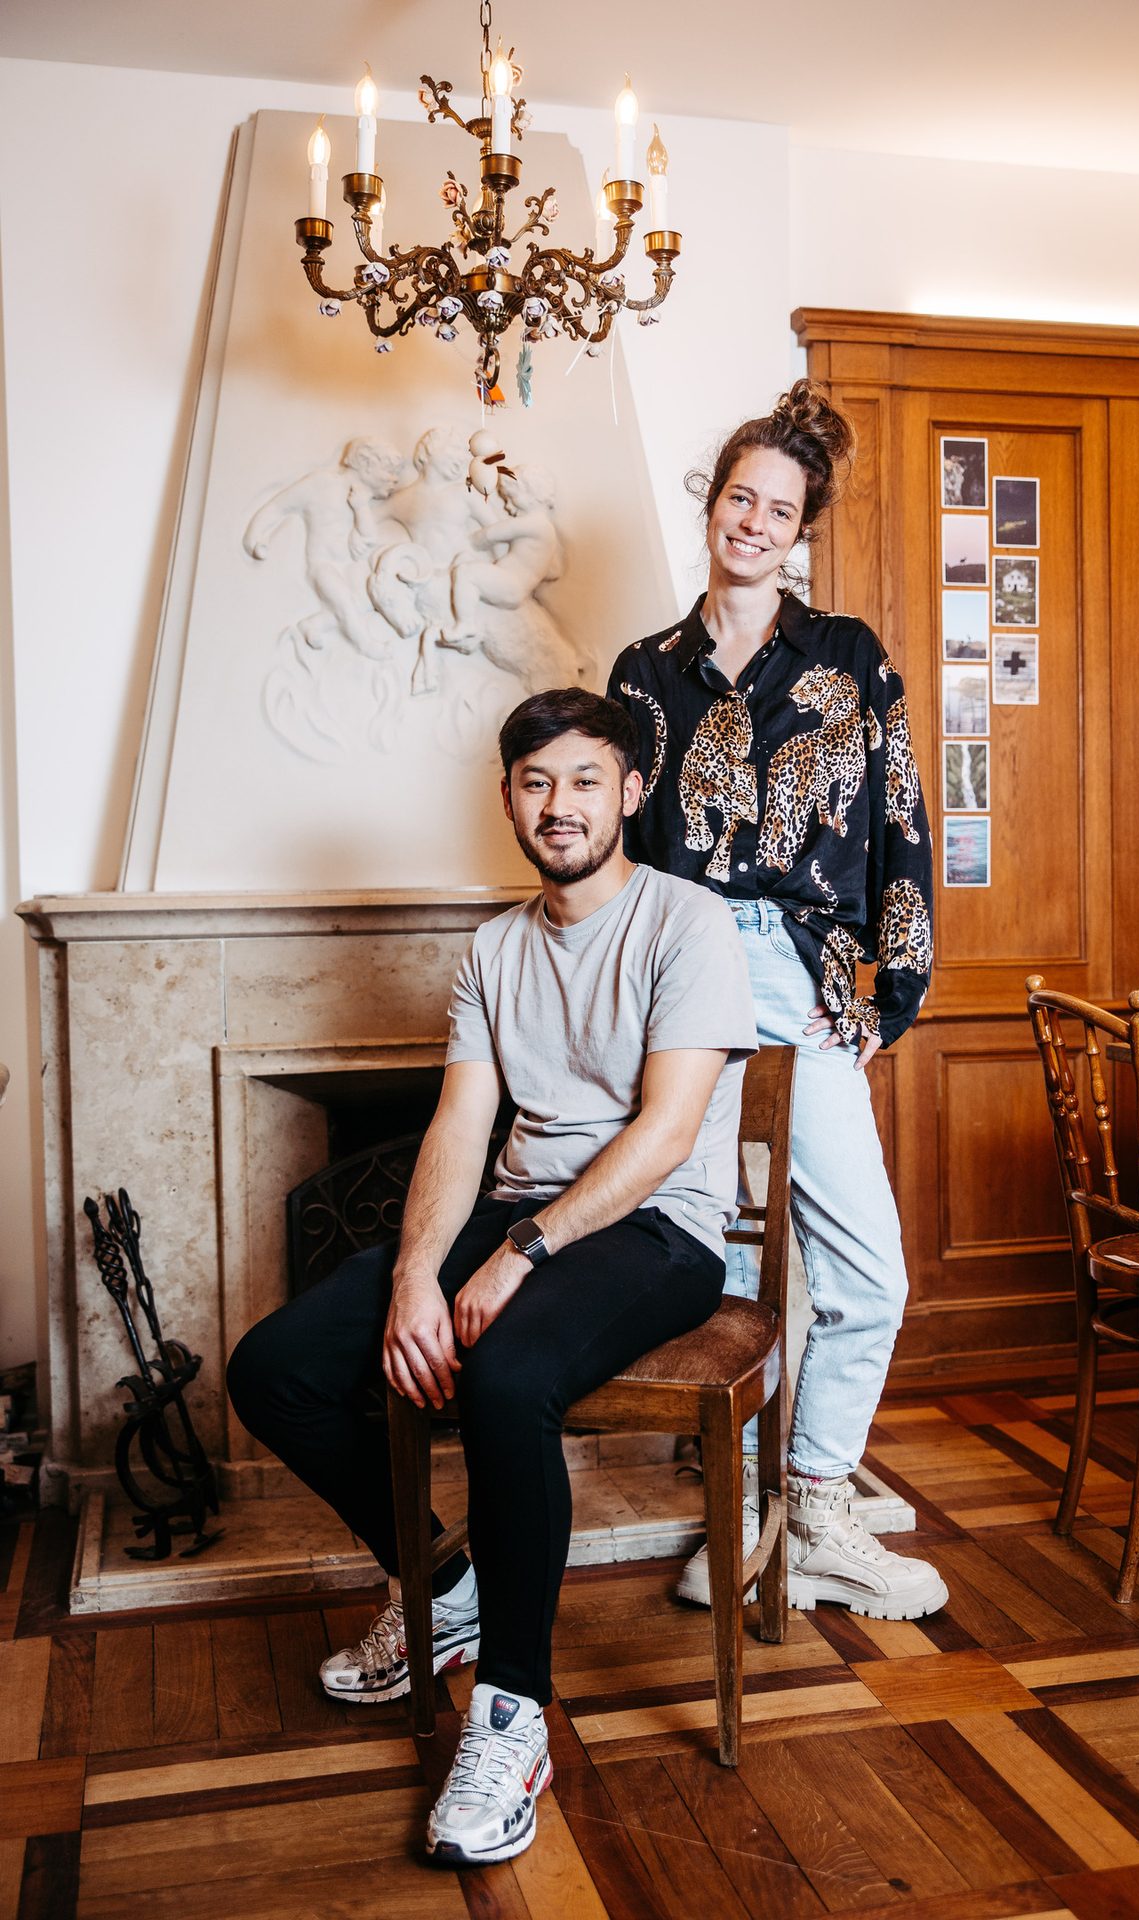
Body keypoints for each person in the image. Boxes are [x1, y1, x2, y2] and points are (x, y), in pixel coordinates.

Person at [227, 687, 757, 1867]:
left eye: (582, 781)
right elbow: (461, 1131)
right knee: (275, 1372)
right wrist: (419, 1273)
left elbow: (667, 1133)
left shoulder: (688, 924)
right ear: (508, 801)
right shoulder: (494, 947)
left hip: (656, 1231)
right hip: (519, 1215)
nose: (557, 805)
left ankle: (512, 1711)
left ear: (628, 794)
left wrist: (522, 1253)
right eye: (534, 783)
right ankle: (443, 1577)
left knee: (505, 1379)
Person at [607, 380, 948, 1622]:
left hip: (795, 971)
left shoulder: (845, 658)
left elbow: (902, 819)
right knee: (706, 1264)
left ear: (801, 530)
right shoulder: (643, 671)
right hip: (680, 967)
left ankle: (809, 1507)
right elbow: (620, 855)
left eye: (778, 507)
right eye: (737, 496)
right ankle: (744, 1513)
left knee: (864, 1273)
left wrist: (885, 987)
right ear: (712, 507)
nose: (753, 520)